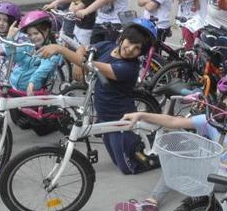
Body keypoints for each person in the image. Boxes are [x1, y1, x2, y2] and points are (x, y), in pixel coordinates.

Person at [115, 72, 227, 211]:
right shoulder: (211, 120)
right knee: (176, 165)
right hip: (218, 173)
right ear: (225, 98)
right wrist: (141, 114)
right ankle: (151, 203)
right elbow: (174, 121)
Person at [38, 19, 159, 174]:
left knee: (129, 168)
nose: (130, 50)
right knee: (118, 161)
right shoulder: (107, 46)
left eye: (137, 49)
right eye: (130, 42)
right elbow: (84, 49)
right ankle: (147, 143)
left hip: (120, 120)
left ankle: (164, 155)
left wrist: (60, 49)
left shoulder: (129, 68)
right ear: (123, 37)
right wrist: (77, 61)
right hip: (104, 116)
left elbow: (90, 65)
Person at [5, 10, 63, 96]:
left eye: (36, 33)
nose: (33, 37)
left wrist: (32, 82)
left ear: (46, 31)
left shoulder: (52, 51)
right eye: (29, 34)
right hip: (14, 87)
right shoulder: (30, 45)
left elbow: (43, 69)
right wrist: (9, 39)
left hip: (32, 91)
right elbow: (14, 57)